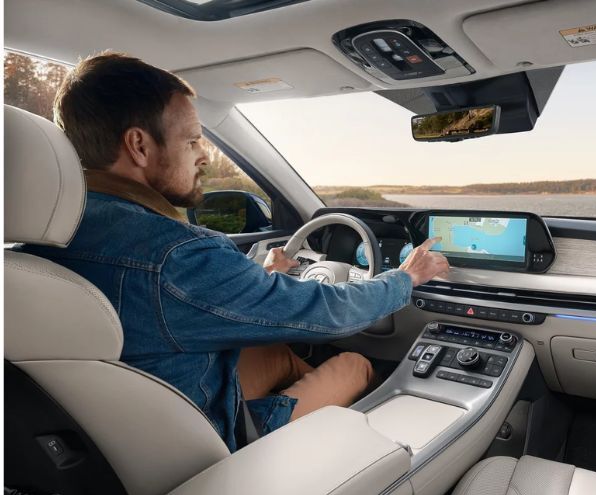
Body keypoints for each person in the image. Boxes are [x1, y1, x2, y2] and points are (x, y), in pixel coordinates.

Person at [20, 51, 450, 452]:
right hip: (204, 441)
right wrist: (406, 277)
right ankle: (349, 457)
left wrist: (258, 279)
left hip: (113, 434)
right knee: (355, 364)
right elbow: (325, 313)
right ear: (139, 145)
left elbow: (174, 302)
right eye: (191, 141)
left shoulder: (34, 245)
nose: (204, 155)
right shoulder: (175, 255)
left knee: (276, 353)